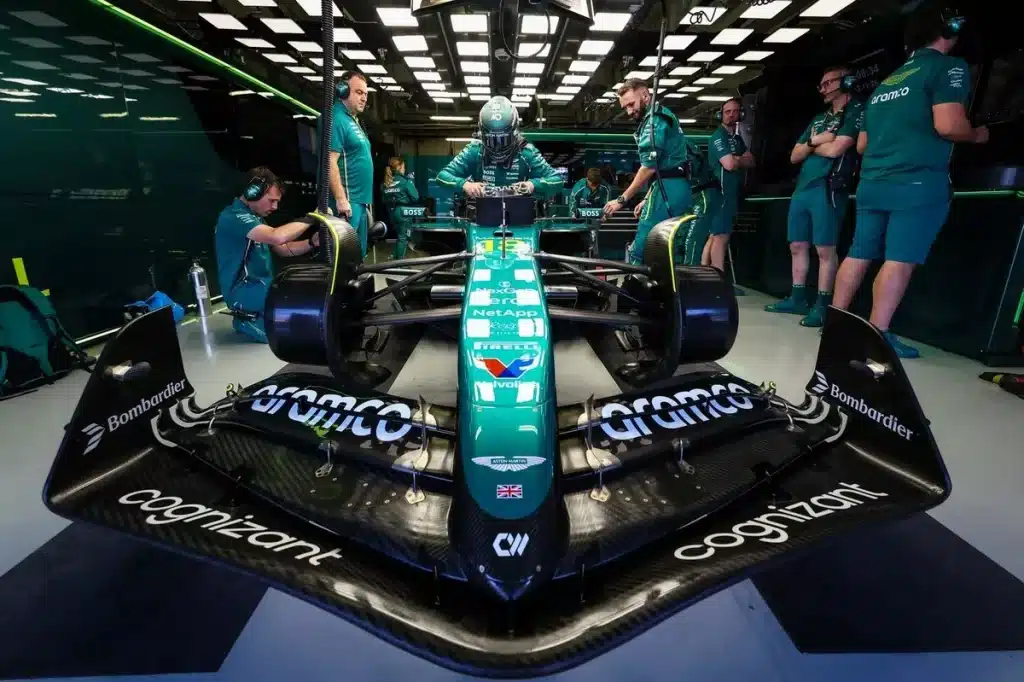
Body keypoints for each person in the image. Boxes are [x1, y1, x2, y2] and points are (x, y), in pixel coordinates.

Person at [831, 5, 987, 358]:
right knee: (899, 259)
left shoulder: (885, 84)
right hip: (916, 182)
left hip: (872, 182)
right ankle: (877, 336)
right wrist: (977, 134)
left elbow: (862, 145)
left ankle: (837, 325)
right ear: (948, 30)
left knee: (858, 252)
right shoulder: (948, 67)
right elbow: (948, 125)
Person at [765, 66, 865, 327]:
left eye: (828, 83)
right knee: (797, 245)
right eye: (821, 84)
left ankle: (822, 306)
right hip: (803, 188)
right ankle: (797, 298)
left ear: (847, 82)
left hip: (828, 187)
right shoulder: (819, 119)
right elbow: (794, 155)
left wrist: (812, 146)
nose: (823, 89)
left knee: (825, 249)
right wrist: (817, 141)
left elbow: (836, 150)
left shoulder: (856, 112)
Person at [214, 167, 317, 343]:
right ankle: (247, 319)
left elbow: (284, 248)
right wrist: (312, 218)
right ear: (252, 192)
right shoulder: (234, 217)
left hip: (262, 286)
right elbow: (277, 236)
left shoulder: (255, 219)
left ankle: (258, 316)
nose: (275, 207)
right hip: (244, 291)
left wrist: (312, 243)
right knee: (290, 332)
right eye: (271, 201)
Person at [602, 78, 692, 265]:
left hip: (669, 189)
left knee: (641, 249)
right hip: (673, 186)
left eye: (631, 104)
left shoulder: (654, 121)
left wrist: (621, 200)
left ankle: (634, 284)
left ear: (645, 95)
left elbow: (649, 167)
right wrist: (647, 198)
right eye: (625, 107)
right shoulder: (663, 115)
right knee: (670, 248)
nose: (629, 111)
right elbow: (661, 167)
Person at [435, 95, 565, 199]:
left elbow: (557, 180)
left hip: (520, 214)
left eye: (503, 139)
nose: (497, 147)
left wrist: (532, 185)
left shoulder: (526, 152)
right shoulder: (475, 150)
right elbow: (442, 176)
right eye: (491, 140)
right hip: (480, 213)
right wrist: (465, 185)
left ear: (515, 133)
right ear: (482, 135)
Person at [319, 71, 373, 257]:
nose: (364, 98)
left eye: (366, 94)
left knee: (357, 256)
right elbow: (329, 161)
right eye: (359, 92)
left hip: (359, 201)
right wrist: (341, 199)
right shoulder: (336, 118)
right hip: (347, 202)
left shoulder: (352, 120)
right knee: (343, 257)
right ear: (342, 90)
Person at [704, 98, 756, 271]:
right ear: (720, 115)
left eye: (735, 111)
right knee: (721, 236)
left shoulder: (737, 139)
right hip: (721, 193)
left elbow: (751, 161)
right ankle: (717, 276)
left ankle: (704, 273)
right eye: (727, 112)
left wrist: (736, 159)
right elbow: (729, 164)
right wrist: (738, 160)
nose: (731, 115)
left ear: (741, 114)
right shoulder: (718, 137)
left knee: (715, 235)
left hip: (730, 193)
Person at [680, 140, 721, 265]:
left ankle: (690, 273)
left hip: (703, 193)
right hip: (694, 194)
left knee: (693, 238)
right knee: (683, 236)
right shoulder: (679, 146)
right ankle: (684, 271)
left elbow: (692, 171)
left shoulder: (682, 147)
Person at [380, 156, 420, 259]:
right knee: (404, 237)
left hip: (391, 212)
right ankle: (400, 263)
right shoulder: (405, 181)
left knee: (400, 235)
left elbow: (383, 199)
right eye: (404, 167)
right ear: (401, 167)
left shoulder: (385, 183)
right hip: (403, 212)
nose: (405, 169)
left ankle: (394, 257)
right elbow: (415, 197)